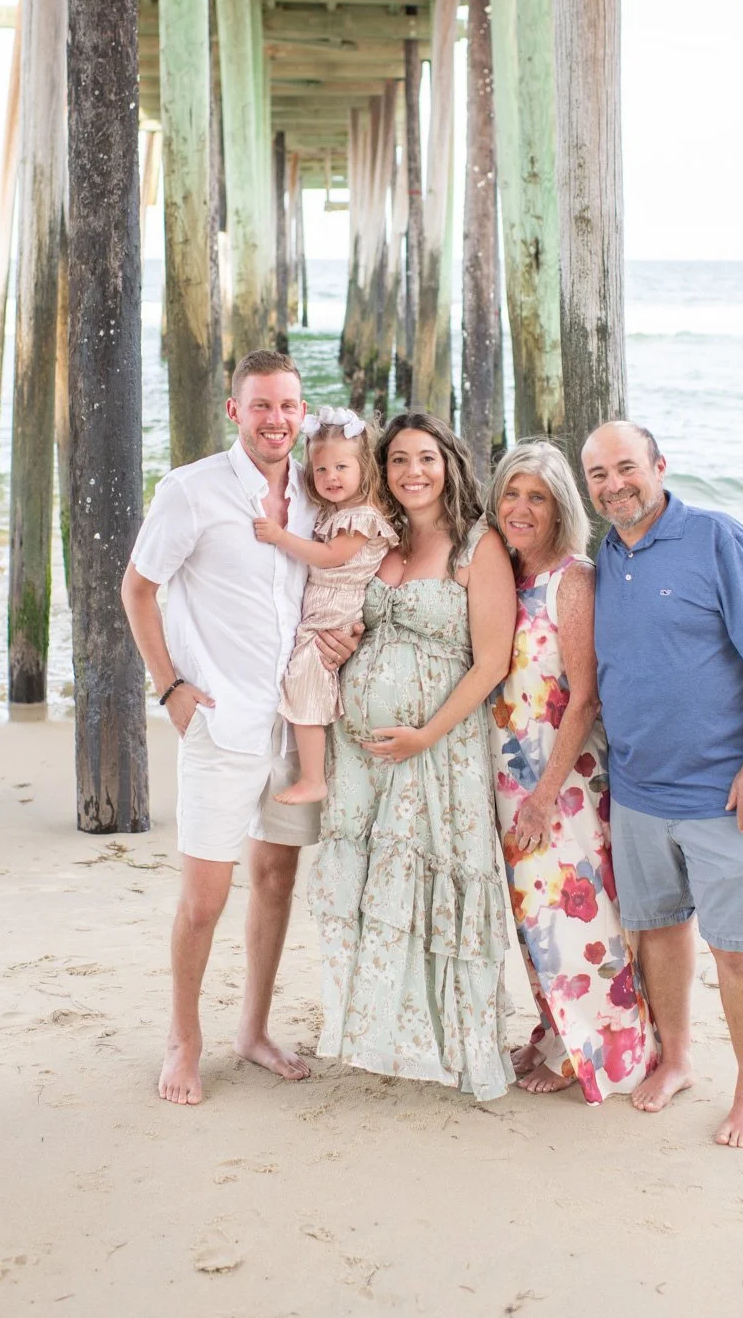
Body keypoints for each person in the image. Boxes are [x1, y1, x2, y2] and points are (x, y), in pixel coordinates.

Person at [121, 350, 359, 1106]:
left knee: (277, 878)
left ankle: (252, 1030)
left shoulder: (322, 497)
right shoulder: (191, 492)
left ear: (303, 411)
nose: (277, 421)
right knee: (204, 899)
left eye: (289, 406)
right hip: (219, 722)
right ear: (235, 411)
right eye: (261, 406)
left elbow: (336, 584)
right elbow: (138, 590)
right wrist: (172, 689)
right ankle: (183, 1038)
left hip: (296, 724)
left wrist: (344, 639)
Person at [581, 420, 743, 1148]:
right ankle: (676, 1057)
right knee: (659, 934)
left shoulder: (716, 539)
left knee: (738, 948)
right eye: (598, 475)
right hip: (639, 792)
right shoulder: (605, 557)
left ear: (660, 466)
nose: (614, 485)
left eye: (626, 468)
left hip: (725, 793)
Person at [306, 412, 518, 1101]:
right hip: (360, 752)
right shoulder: (379, 540)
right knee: (375, 888)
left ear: (449, 463)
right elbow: (345, 612)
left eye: (425, 458)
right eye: (397, 460)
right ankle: (386, 1036)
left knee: (436, 881)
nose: (412, 472)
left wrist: (425, 735)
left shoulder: (477, 546)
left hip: (438, 750)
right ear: (381, 470)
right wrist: (341, 644)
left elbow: (489, 664)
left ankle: (456, 1045)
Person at [487, 441, 658, 1103]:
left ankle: (602, 1051)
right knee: (532, 917)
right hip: (512, 780)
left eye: (537, 496)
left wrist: (544, 794)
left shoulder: (573, 579)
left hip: (562, 785)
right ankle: (556, 1031)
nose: (521, 508)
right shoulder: (509, 574)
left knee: (575, 919)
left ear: (560, 507)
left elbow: (584, 697)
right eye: (511, 493)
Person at [252, 405, 397, 807]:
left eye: (341, 468)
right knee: (303, 676)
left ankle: (314, 778)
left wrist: (280, 537)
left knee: (305, 677)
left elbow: (331, 556)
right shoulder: (338, 510)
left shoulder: (362, 517)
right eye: (320, 471)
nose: (331, 477)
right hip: (324, 607)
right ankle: (314, 772)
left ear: (363, 468)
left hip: (336, 607)